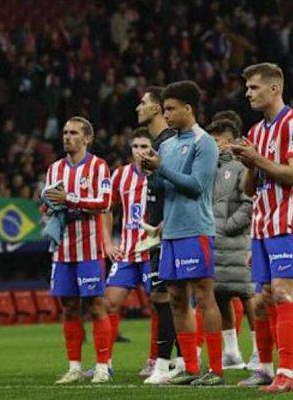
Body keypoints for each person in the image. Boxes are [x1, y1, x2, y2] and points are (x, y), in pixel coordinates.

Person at [232, 62, 293, 393]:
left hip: (287, 222)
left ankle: (291, 373)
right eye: (247, 88)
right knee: (261, 302)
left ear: (274, 89)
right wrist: (248, 163)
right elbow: (248, 190)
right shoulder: (256, 131)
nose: (248, 93)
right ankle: (265, 368)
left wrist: (257, 160)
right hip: (262, 225)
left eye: (254, 87)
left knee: (281, 293)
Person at [140, 80, 223, 386]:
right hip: (171, 231)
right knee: (176, 297)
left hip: (196, 229)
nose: (168, 115)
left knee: (204, 295)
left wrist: (161, 168)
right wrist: (151, 172)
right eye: (165, 109)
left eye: (172, 109)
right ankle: (190, 366)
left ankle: (215, 369)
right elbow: (165, 188)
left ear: (188, 109)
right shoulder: (166, 144)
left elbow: (196, 186)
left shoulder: (205, 143)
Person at [41, 117, 113, 385]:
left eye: (73, 133)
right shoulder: (54, 169)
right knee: (69, 308)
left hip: (90, 248)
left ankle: (103, 367)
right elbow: (49, 202)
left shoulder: (98, 166)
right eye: (65, 132)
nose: (67, 137)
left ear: (87, 138)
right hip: (63, 250)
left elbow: (104, 201)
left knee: (96, 306)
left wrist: (69, 199)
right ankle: (74, 367)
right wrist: (48, 207)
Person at [135, 87, 182, 384]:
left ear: (156, 108)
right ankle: (181, 359)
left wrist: (167, 221)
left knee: (168, 295)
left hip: (171, 231)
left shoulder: (169, 144)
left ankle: (165, 364)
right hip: (157, 232)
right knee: (165, 296)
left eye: (143, 103)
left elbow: (179, 187)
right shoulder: (157, 144)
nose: (138, 107)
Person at [103, 128, 156, 372]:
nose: (140, 152)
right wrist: (107, 242)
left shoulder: (162, 174)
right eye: (136, 147)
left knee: (159, 305)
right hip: (127, 252)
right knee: (109, 303)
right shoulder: (121, 175)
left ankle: (155, 360)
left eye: (145, 147)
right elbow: (107, 208)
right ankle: (105, 364)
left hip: (153, 251)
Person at [206, 119, 253, 371]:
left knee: (248, 296)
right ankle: (232, 352)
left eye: (216, 140)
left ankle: (258, 352)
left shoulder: (241, 166)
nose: (212, 145)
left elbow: (250, 202)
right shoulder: (208, 169)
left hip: (238, 242)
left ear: (229, 141)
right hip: (215, 243)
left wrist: (226, 227)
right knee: (220, 295)